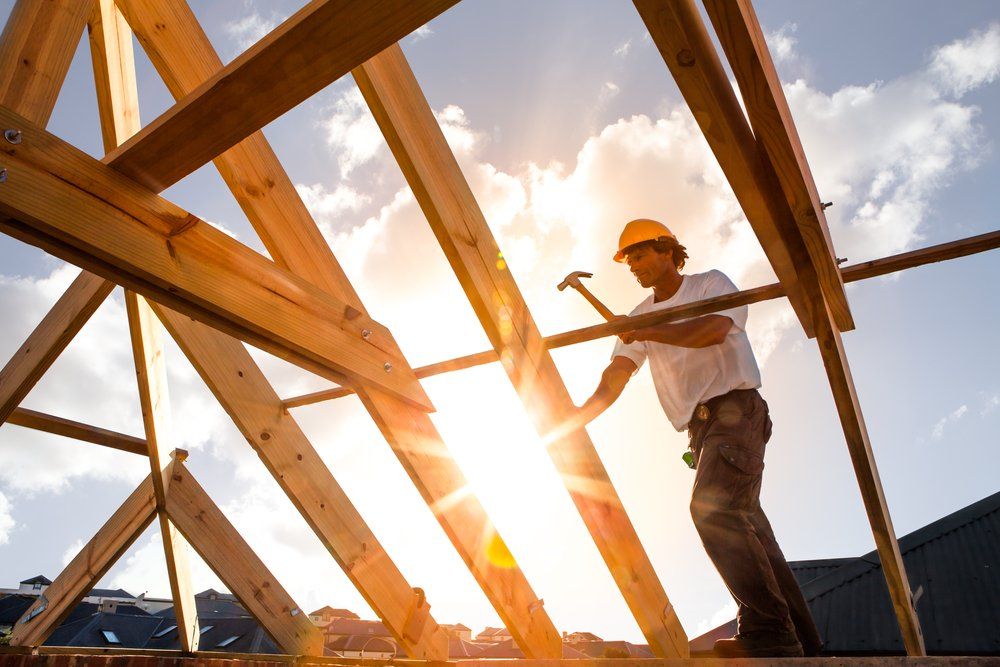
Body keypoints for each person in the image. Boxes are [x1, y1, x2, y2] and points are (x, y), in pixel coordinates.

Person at [573, 218, 822, 658]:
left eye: (641, 254)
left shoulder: (709, 284)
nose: (634, 266)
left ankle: (769, 633)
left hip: (737, 410)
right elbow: (617, 374)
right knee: (750, 527)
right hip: (702, 429)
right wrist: (576, 417)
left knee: (713, 509)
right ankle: (801, 642)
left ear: (669, 251)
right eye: (628, 259)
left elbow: (713, 331)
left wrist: (646, 330)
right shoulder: (638, 318)